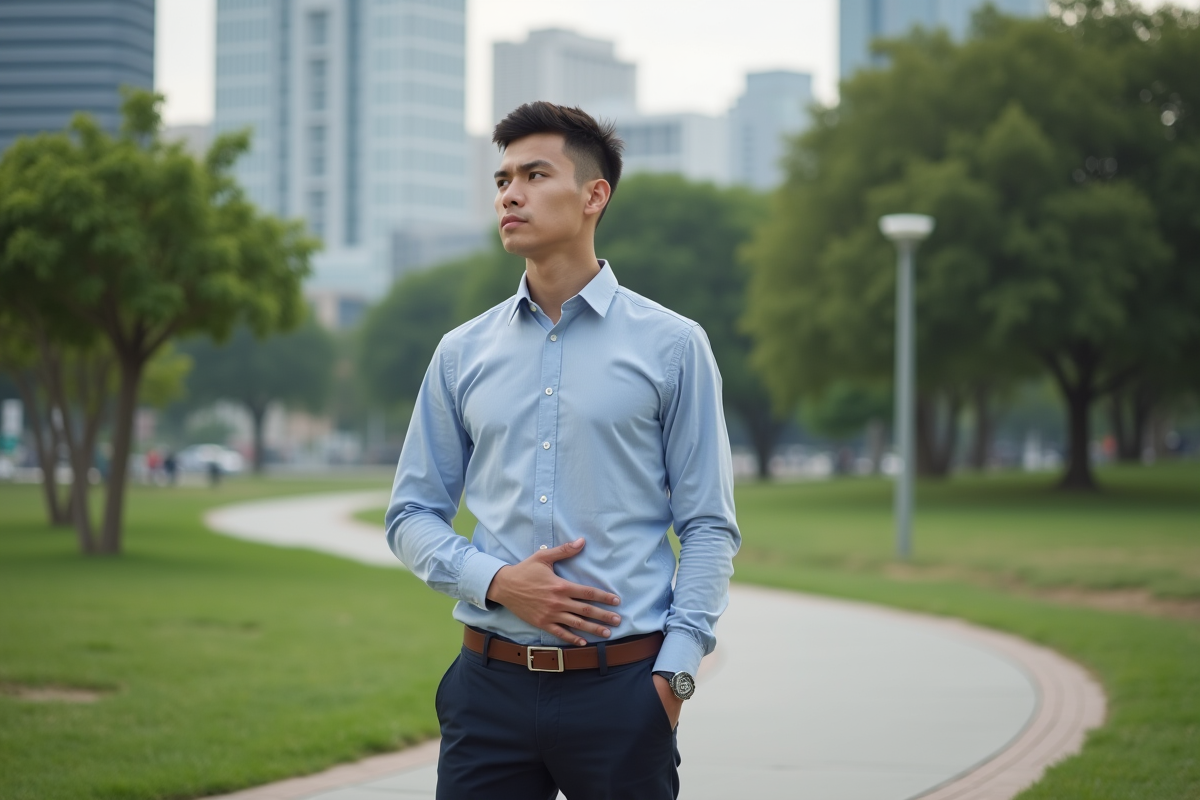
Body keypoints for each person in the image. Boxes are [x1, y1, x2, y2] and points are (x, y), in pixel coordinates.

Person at [386, 101, 740, 800]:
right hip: (486, 691)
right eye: (501, 179)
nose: (508, 194)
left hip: (624, 695)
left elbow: (707, 524)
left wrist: (673, 678)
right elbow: (411, 514)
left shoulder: (673, 345)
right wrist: (496, 580)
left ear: (592, 196)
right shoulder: (461, 353)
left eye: (534, 174)